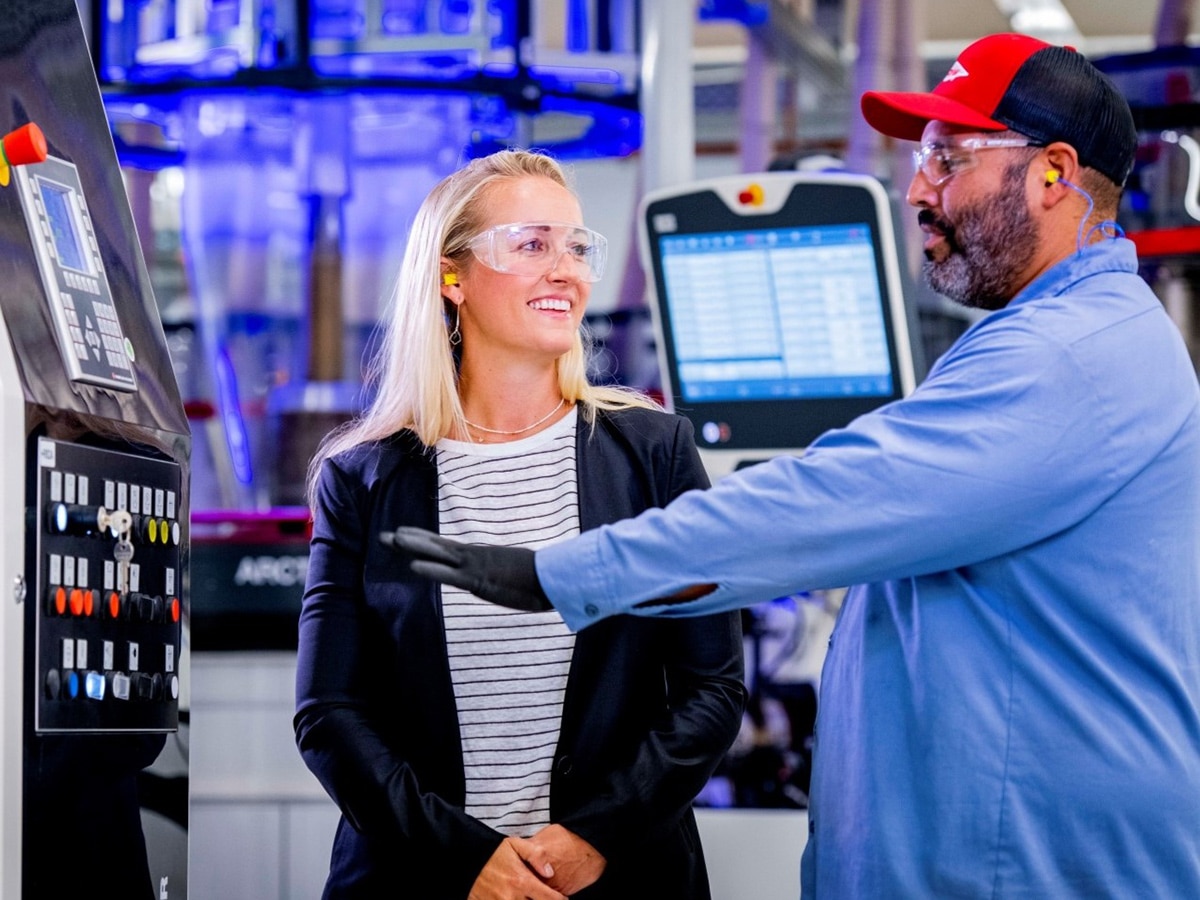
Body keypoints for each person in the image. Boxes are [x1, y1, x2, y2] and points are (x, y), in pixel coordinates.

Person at [387, 33, 1200, 898]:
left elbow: (835, 500)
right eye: (919, 160)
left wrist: (562, 573)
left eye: (948, 158)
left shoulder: (1066, 355)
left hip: (1027, 868)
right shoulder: (1069, 336)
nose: (917, 190)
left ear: (1053, 173)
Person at [294, 148, 746, 900]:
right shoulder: (362, 480)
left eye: (577, 247)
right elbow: (329, 714)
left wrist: (595, 838)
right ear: (452, 277)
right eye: (533, 245)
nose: (566, 271)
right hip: (419, 878)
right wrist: (466, 858)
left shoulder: (653, 453)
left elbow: (711, 689)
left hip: (619, 877)